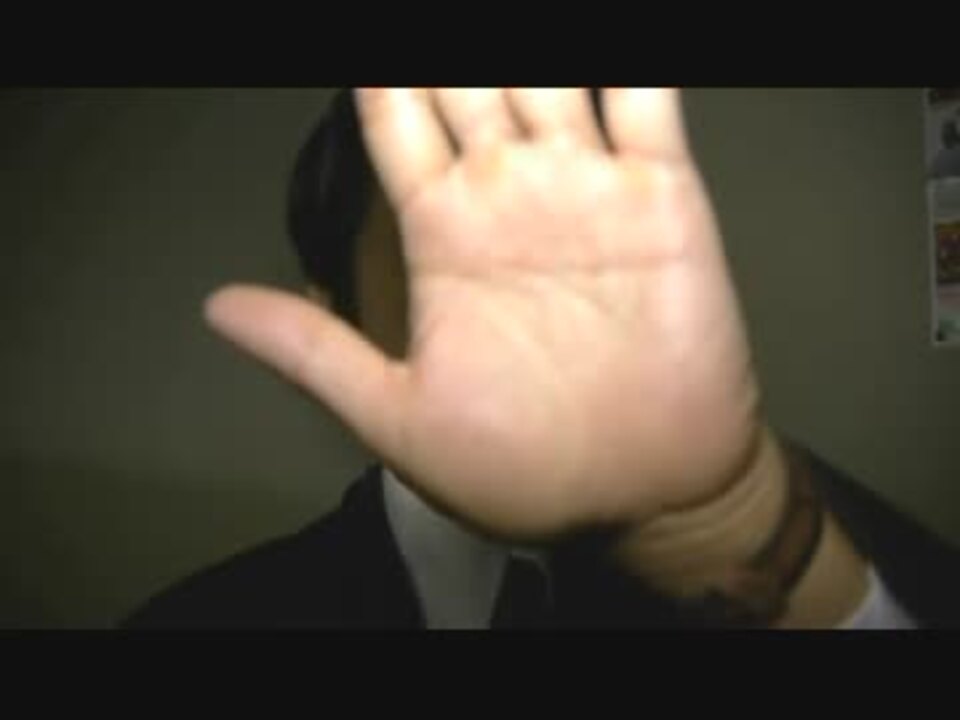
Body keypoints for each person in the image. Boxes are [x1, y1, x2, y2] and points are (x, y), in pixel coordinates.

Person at [122, 88, 960, 630]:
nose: (548, 310)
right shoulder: (204, 628)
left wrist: (728, 527)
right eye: (454, 252)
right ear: (337, 315)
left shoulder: (821, 546)